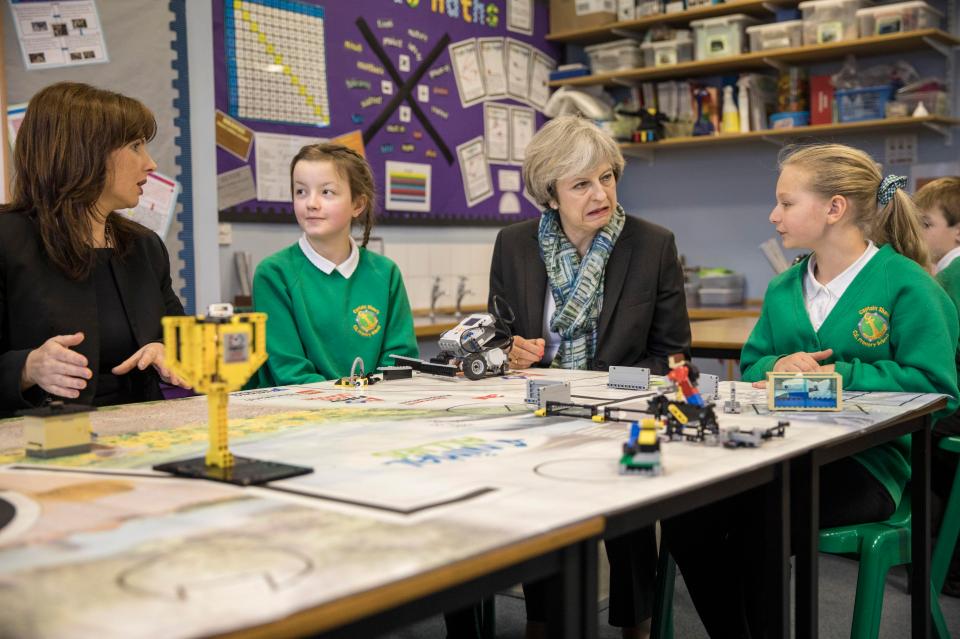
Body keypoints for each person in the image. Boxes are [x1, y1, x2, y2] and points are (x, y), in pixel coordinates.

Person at [662, 144, 959, 636]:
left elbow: (937, 389)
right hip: (777, 449)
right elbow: (754, 365)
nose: (774, 215)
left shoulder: (908, 285)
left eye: (786, 202)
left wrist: (836, 377)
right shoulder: (784, 290)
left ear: (834, 208)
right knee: (684, 513)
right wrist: (781, 364)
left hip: (867, 464)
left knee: (763, 516)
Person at [488, 114, 691, 638]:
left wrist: (597, 387)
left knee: (630, 506)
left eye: (607, 177)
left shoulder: (653, 244)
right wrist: (510, 353)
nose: (600, 193)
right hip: (541, 410)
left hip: (626, 410)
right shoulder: (513, 244)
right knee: (539, 509)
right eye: (581, 184)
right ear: (550, 194)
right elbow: (495, 339)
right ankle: (541, 620)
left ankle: (637, 623)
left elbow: (673, 358)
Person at [0, 82, 188, 416]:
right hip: (37, 444)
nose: (151, 164)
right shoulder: (7, 237)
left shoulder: (145, 246)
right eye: (135, 146)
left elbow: (181, 340)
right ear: (83, 151)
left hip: (141, 432)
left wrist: (166, 351)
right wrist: (28, 368)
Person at [251, 143, 417, 386]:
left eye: (326, 192)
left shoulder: (385, 273)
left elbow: (400, 362)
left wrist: (370, 404)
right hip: (300, 415)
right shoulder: (274, 274)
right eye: (301, 192)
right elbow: (290, 371)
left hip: (374, 413)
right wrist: (349, 402)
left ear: (357, 205)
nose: (311, 203)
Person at [915, 176, 960, 597]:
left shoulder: (951, 276)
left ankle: (935, 560)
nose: (920, 233)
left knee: (913, 430)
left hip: (956, 408)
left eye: (926, 224)